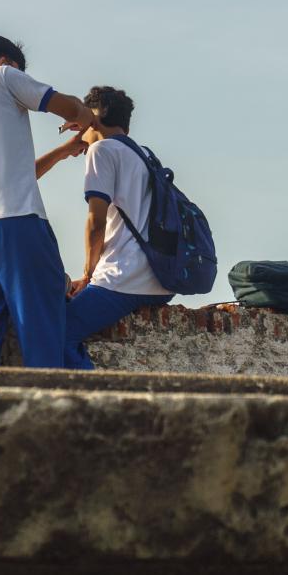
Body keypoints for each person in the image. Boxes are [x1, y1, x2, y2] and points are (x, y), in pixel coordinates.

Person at [0, 33, 95, 368]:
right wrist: (85, 116)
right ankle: (47, 411)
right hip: (16, 224)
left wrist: (62, 152)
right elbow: (66, 106)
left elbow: (16, 174)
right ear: (4, 62)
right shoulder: (4, 77)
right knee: (41, 327)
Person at [63, 85, 174, 370]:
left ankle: (93, 406)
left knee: (57, 332)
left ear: (94, 117)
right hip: (162, 278)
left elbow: (96, 222)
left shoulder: (102, 150)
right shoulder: (143, 155)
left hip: (125, 277)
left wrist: (88, 274)